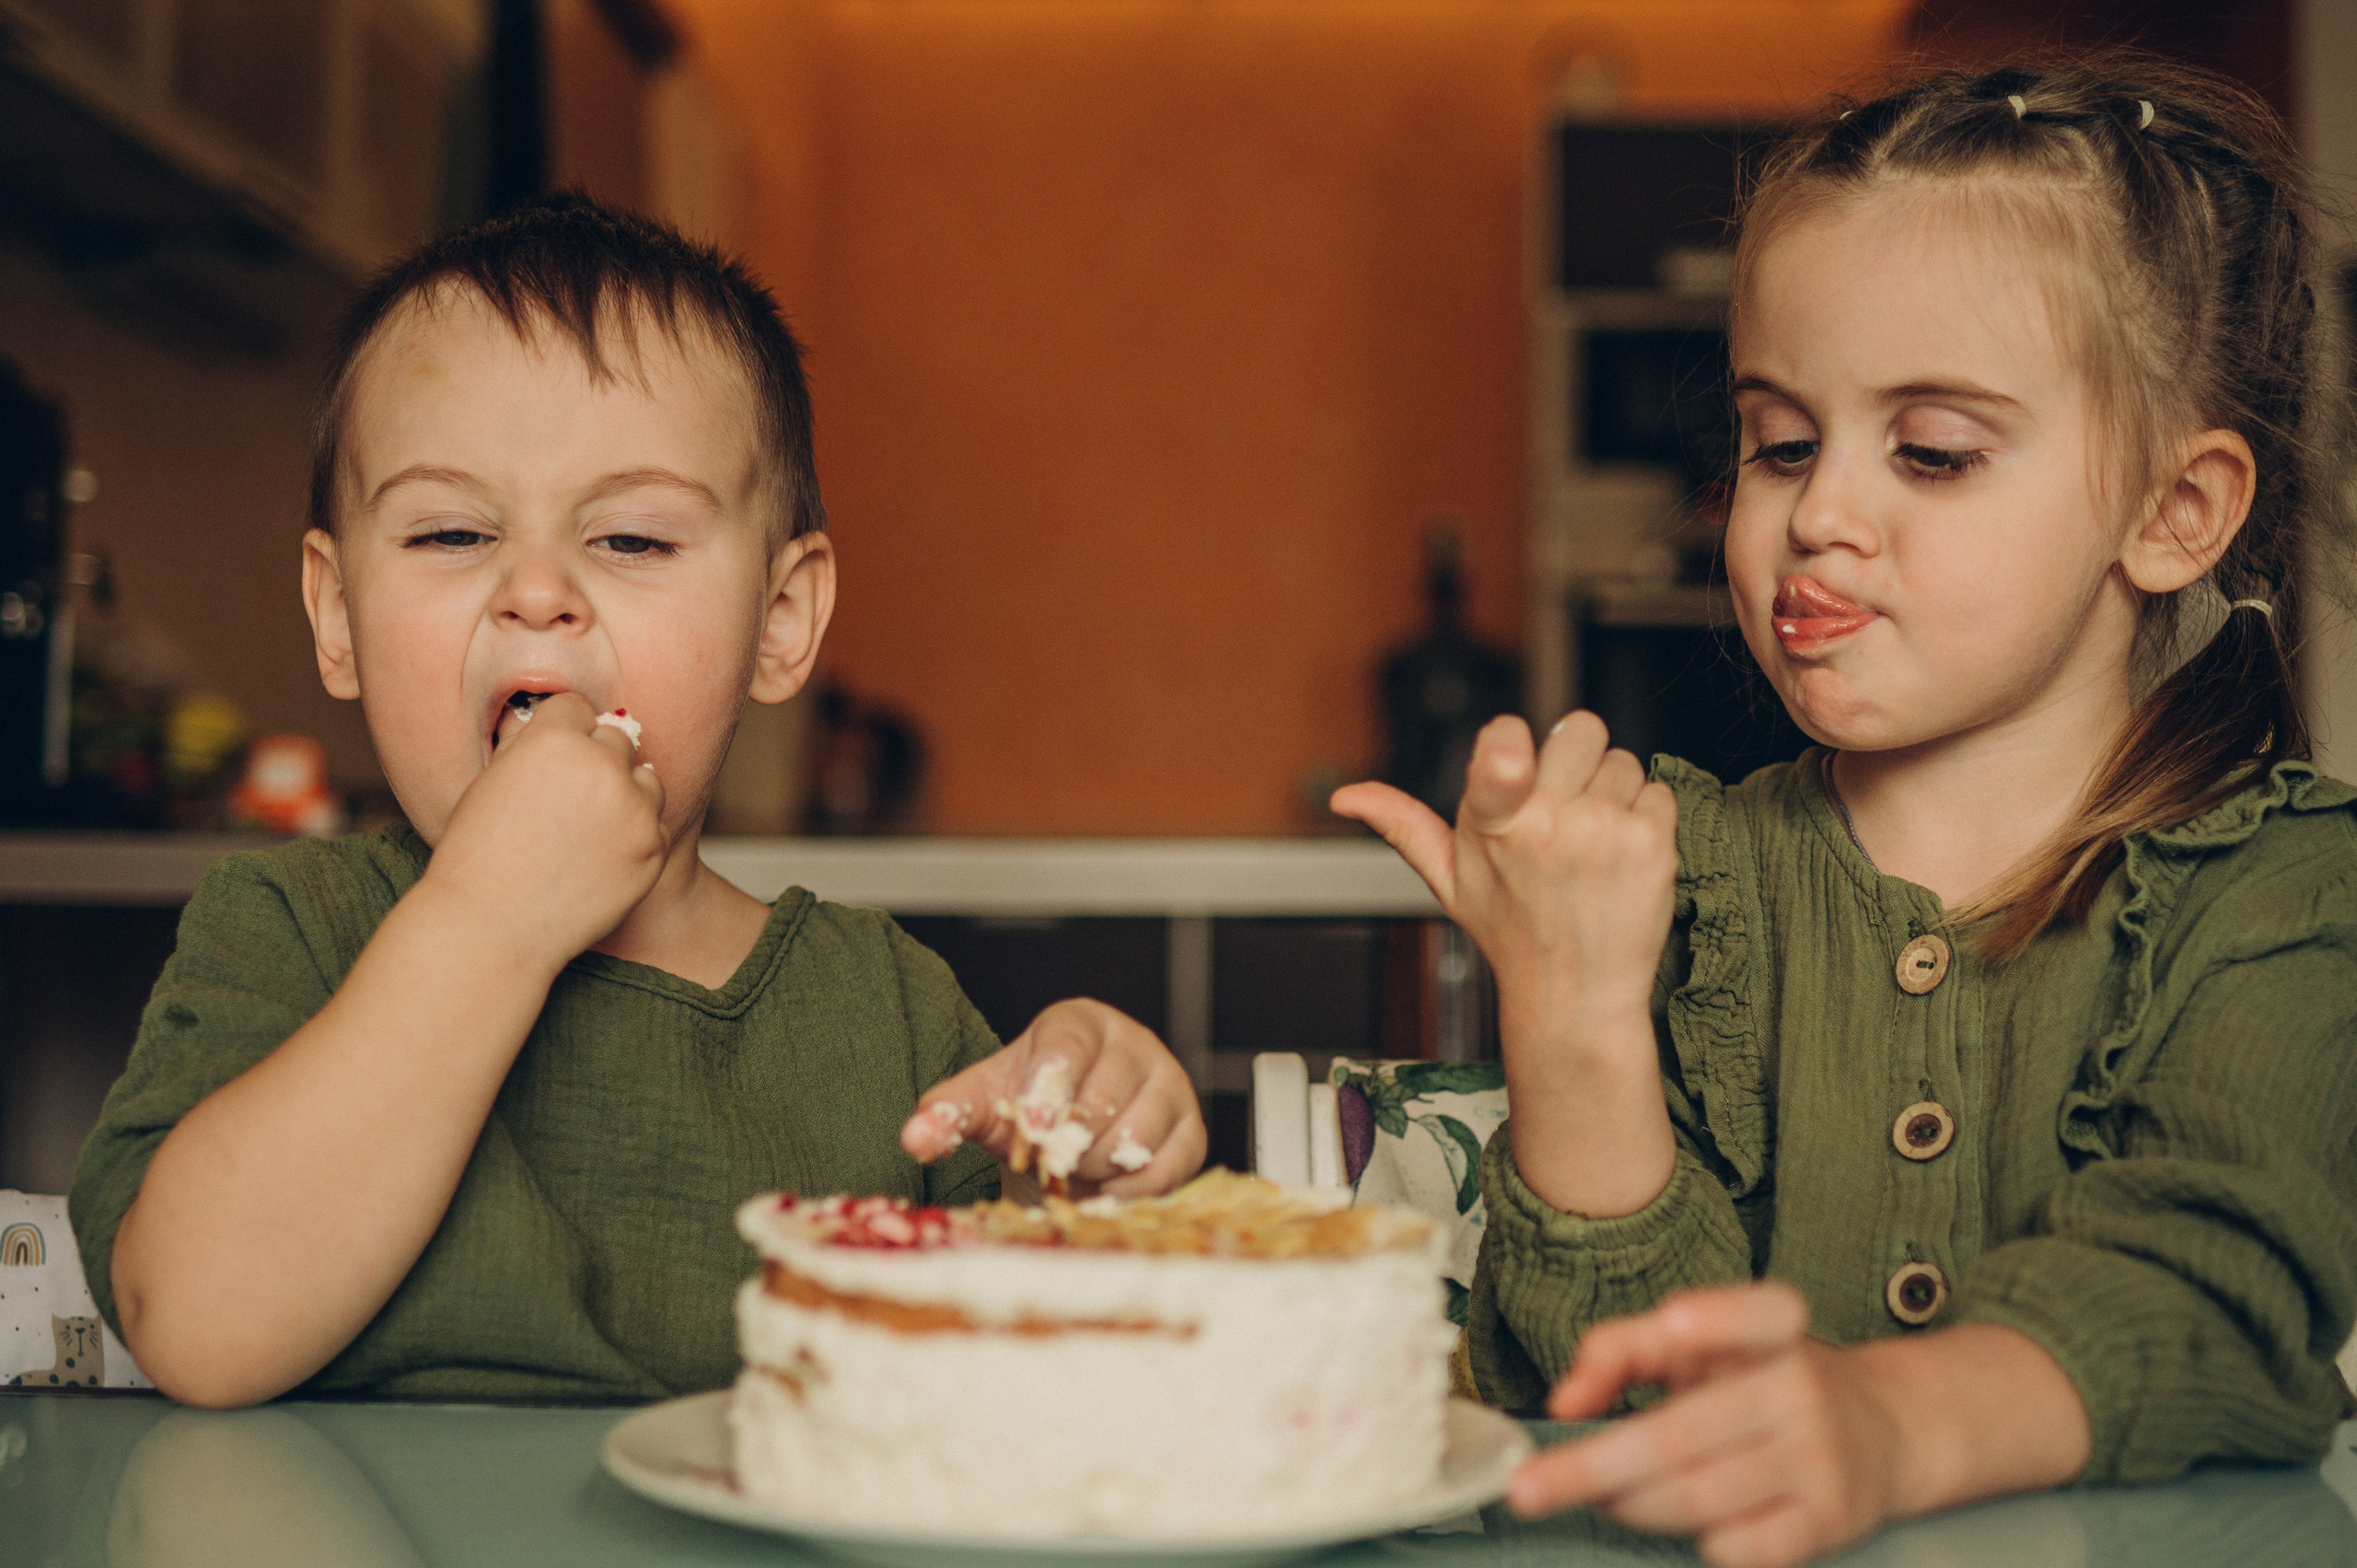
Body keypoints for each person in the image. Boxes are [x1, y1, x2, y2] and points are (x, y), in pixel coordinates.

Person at [1338, 54, 2357, 1568]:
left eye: (1933, 451)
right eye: (1780, 442)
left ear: (2174, 512)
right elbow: (1593, 1403)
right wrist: (1571, 1012)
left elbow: (2213, 1286)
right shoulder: (1691, 876)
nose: (1817, 514)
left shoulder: (2287, 889)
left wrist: (1888, 1426)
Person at [70, 194, 1205, 1410]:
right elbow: (195, 1323)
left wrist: (1076, 1181)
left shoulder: (888, 1014)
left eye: (634, 541)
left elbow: (1047, 1383)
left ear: (778, 623)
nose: (538, 592)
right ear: (337, 615)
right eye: (453, 531)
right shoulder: (290, 929)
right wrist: (492, 916)